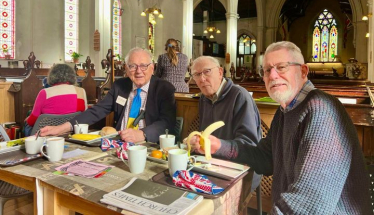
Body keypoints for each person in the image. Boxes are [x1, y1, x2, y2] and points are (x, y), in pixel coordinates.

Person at [243, 41, 371, 214]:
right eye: (267, 70)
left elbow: (309, 203)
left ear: (303, 71)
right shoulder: (285, 110)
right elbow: (265, 159)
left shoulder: (321, 109)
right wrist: (219, 147)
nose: (272, 75)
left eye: (281, 67)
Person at [40, 48, 176, 143]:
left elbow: (166, 122)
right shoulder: (120, 86)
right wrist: (61, 128)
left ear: (152, 68)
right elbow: (97, 111)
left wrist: (142, 134)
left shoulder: (164, 89)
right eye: (133, 66)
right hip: (117, 144)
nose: (138, 71)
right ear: (126, 69)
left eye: (143, 66)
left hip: (148, 146)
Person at [186, 56, 262, 191]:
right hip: (211, 165)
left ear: (220, 72)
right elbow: (206, 136)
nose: (202, 79)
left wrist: (218, 146)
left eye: (207, 71)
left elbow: (249, 145)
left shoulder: (239, 96)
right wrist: (196, 142)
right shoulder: (204, 98)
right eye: (197, 75)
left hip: (241, 169)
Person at [24, 64, 87, 136]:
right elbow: (84, 116)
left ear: (51, 76)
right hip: (70, 134)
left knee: (27, 124)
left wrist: (27, 120)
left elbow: (32, 120)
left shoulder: (44, 93)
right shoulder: (81, 91)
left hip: (47, 134)